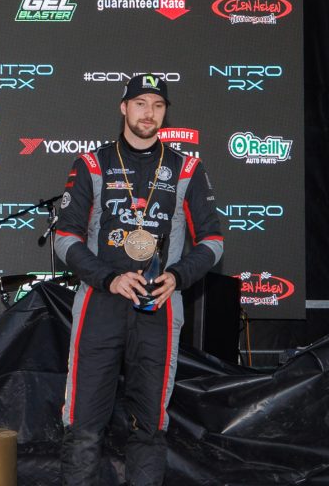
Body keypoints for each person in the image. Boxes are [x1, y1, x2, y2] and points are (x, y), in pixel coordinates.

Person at [51, 75, 223, 485]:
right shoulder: (92, 163)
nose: (149, 113)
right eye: (141, 103)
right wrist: (108, 278)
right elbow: (65, 237)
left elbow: (213, 242)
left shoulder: (186, 168)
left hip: (159, 307)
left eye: (158, 106)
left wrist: (177, 276)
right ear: (124, 107)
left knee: (149, 423)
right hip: (100, 304)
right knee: (83, 421)